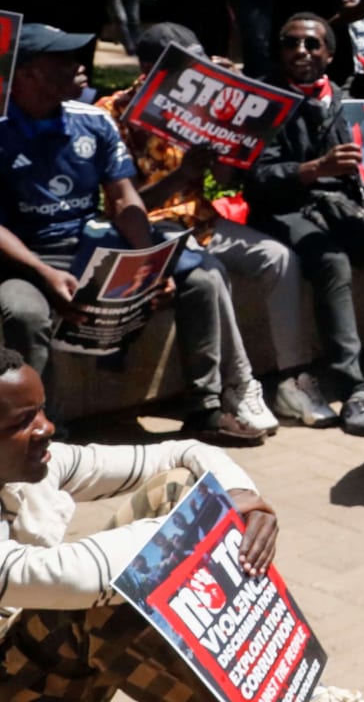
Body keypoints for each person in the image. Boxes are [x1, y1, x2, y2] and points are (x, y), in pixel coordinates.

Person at [0, 349, 364, 702]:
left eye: (44, 409)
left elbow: (183, 455)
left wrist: (241, 500)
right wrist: (198, 527)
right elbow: (67, 579)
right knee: (98, 608)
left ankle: (277, 699)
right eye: (26, 420)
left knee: (176, 490)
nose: (48, 428)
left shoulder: (36, 466)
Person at [0, 24, 270, 438]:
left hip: (89, 242)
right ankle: (38, 426)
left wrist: (149, 267)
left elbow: (126, 202)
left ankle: (204, 405)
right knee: (24, 312)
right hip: (22, 256)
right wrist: (43, 272)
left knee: (200, 276)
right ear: (28, 73)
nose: (79, 66)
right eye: (63, 60)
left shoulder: (93, 122)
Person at [92, 23, 307, 428]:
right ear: (148, 67)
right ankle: (241, 384)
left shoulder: (200, 103)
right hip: (152, 225)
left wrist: (241, 118)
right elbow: (125, 205)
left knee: (278, 258)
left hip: (202, 219)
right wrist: (180, 175)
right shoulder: (112, 113)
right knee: (209, 273)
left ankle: (293, 377)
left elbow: (224, 181)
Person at [243, 14, 364, 437]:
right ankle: (353, 389)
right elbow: (254, 180)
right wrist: (314, 169)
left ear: (330, 54)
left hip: (347, 208)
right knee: (332, 262)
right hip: (288, 211)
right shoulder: (263, 100)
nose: (301, 52)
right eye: (292, 44)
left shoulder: (348, 102)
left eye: (312, 45)